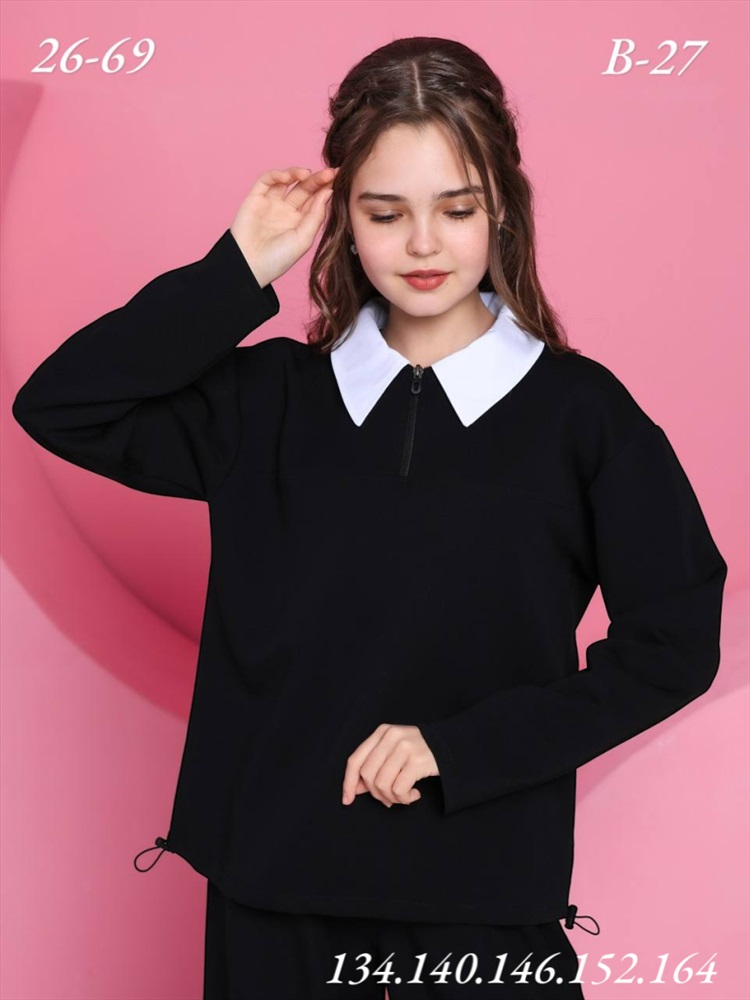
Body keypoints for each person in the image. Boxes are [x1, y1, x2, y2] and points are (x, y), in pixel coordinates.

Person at [12, 36, 727, 1000]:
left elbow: (675, 645)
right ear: (342, 216)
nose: (423, 244)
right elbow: (62, 405)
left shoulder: (582, 416)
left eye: (456, 209)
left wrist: (459, 750)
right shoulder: (267, 401)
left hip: (481, 902)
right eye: (386, 213)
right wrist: (235, 269)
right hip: (273, 899)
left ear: (502, 209)